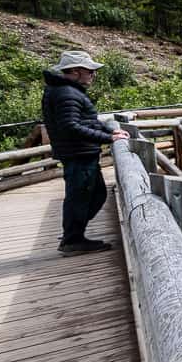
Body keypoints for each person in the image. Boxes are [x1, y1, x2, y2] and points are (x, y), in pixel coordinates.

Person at [41, 50, 129, 256]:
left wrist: (109, 129)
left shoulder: (65, 90)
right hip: (78, 154)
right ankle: (72, 239)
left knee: (94, 195)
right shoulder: (66, 93)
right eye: (89, 70)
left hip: (79, 153)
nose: (93, 74)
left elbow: (86, 121)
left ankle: (72, 232)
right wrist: (109, 138)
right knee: (80, 197)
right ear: (74, 71)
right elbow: (70, 126)